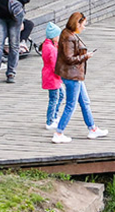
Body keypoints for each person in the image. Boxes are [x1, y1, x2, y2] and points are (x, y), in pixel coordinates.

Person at [52, 12, 107, 143]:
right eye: (83, 24)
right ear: (77, 23)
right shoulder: (68, 38)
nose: (84, 27)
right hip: (72, 75)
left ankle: (92, 128)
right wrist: (86, 56)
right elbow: (69, 58)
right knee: (71, 105)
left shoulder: (67, 34)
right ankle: (59, 133)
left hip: (75, 74)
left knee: (85, 102)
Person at [42, 22, 63, 129]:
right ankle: (50, 121)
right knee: (54, 98)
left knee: (60, 95)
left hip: (50, 76)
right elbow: (55, 65)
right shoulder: (51, 49)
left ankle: (54, 116)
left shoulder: (47, 45)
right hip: (53, 77)